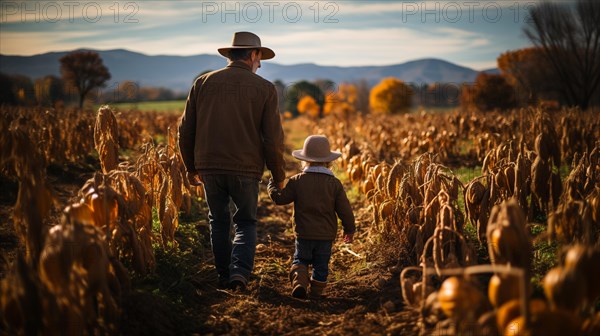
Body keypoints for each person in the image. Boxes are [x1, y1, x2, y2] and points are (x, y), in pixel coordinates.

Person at [178, 32, 286, 290]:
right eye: (260, 58)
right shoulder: (265, 89)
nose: (260, 64)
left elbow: (185, 130)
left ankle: (224, 275)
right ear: (253, 55)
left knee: (218, 220)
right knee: (246, 222)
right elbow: (273, 139)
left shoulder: (202, 83)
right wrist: (278, 175)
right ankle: (239, 273)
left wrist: (191, 167)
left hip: (209, 168)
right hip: (246, 169)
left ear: (231, 55)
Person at [267, 135, 355, 298]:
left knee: (300, 259)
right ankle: (316, 293)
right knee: (321, 265)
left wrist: (272, 186)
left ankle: (300, 282)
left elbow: (280, 199)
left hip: (304, 233)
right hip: (325, 236)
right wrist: (349, 229)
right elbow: (345, 210)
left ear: (305, 160)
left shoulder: (297, 181)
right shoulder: (334, 184)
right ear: (329, 162)